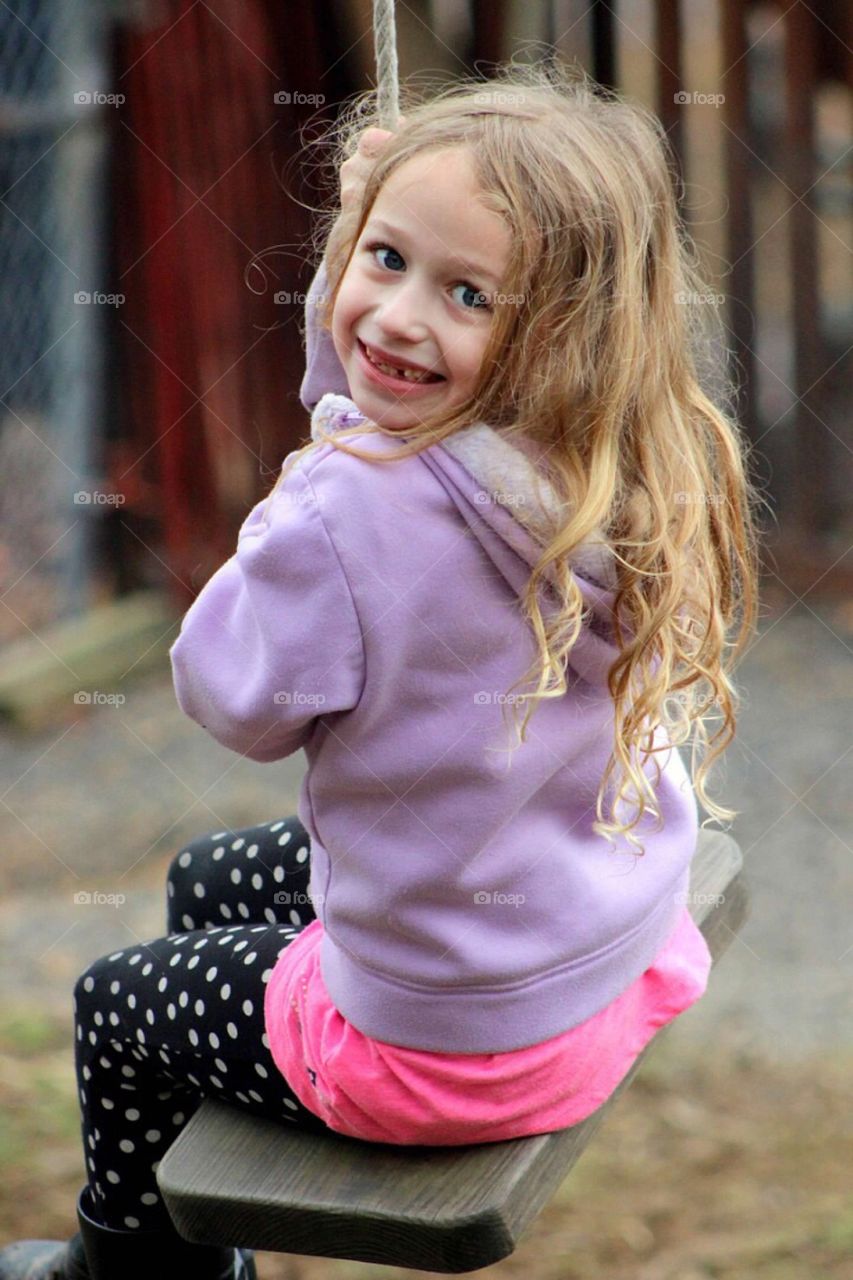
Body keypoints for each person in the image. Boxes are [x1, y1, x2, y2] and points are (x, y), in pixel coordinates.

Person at [0, 60, 762, 1280]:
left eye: (467, 291)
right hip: (594, 962)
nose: (398, 318)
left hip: (445, 1050)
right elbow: (381, 418)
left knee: (113, 1002)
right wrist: (350, 353)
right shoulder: (598, 455)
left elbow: (229, 694)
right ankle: (236, 1209)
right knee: (216, 873)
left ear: (557, 332)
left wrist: (307, 494)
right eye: (384, 259)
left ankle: (138, 1273)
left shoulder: (352, 512)